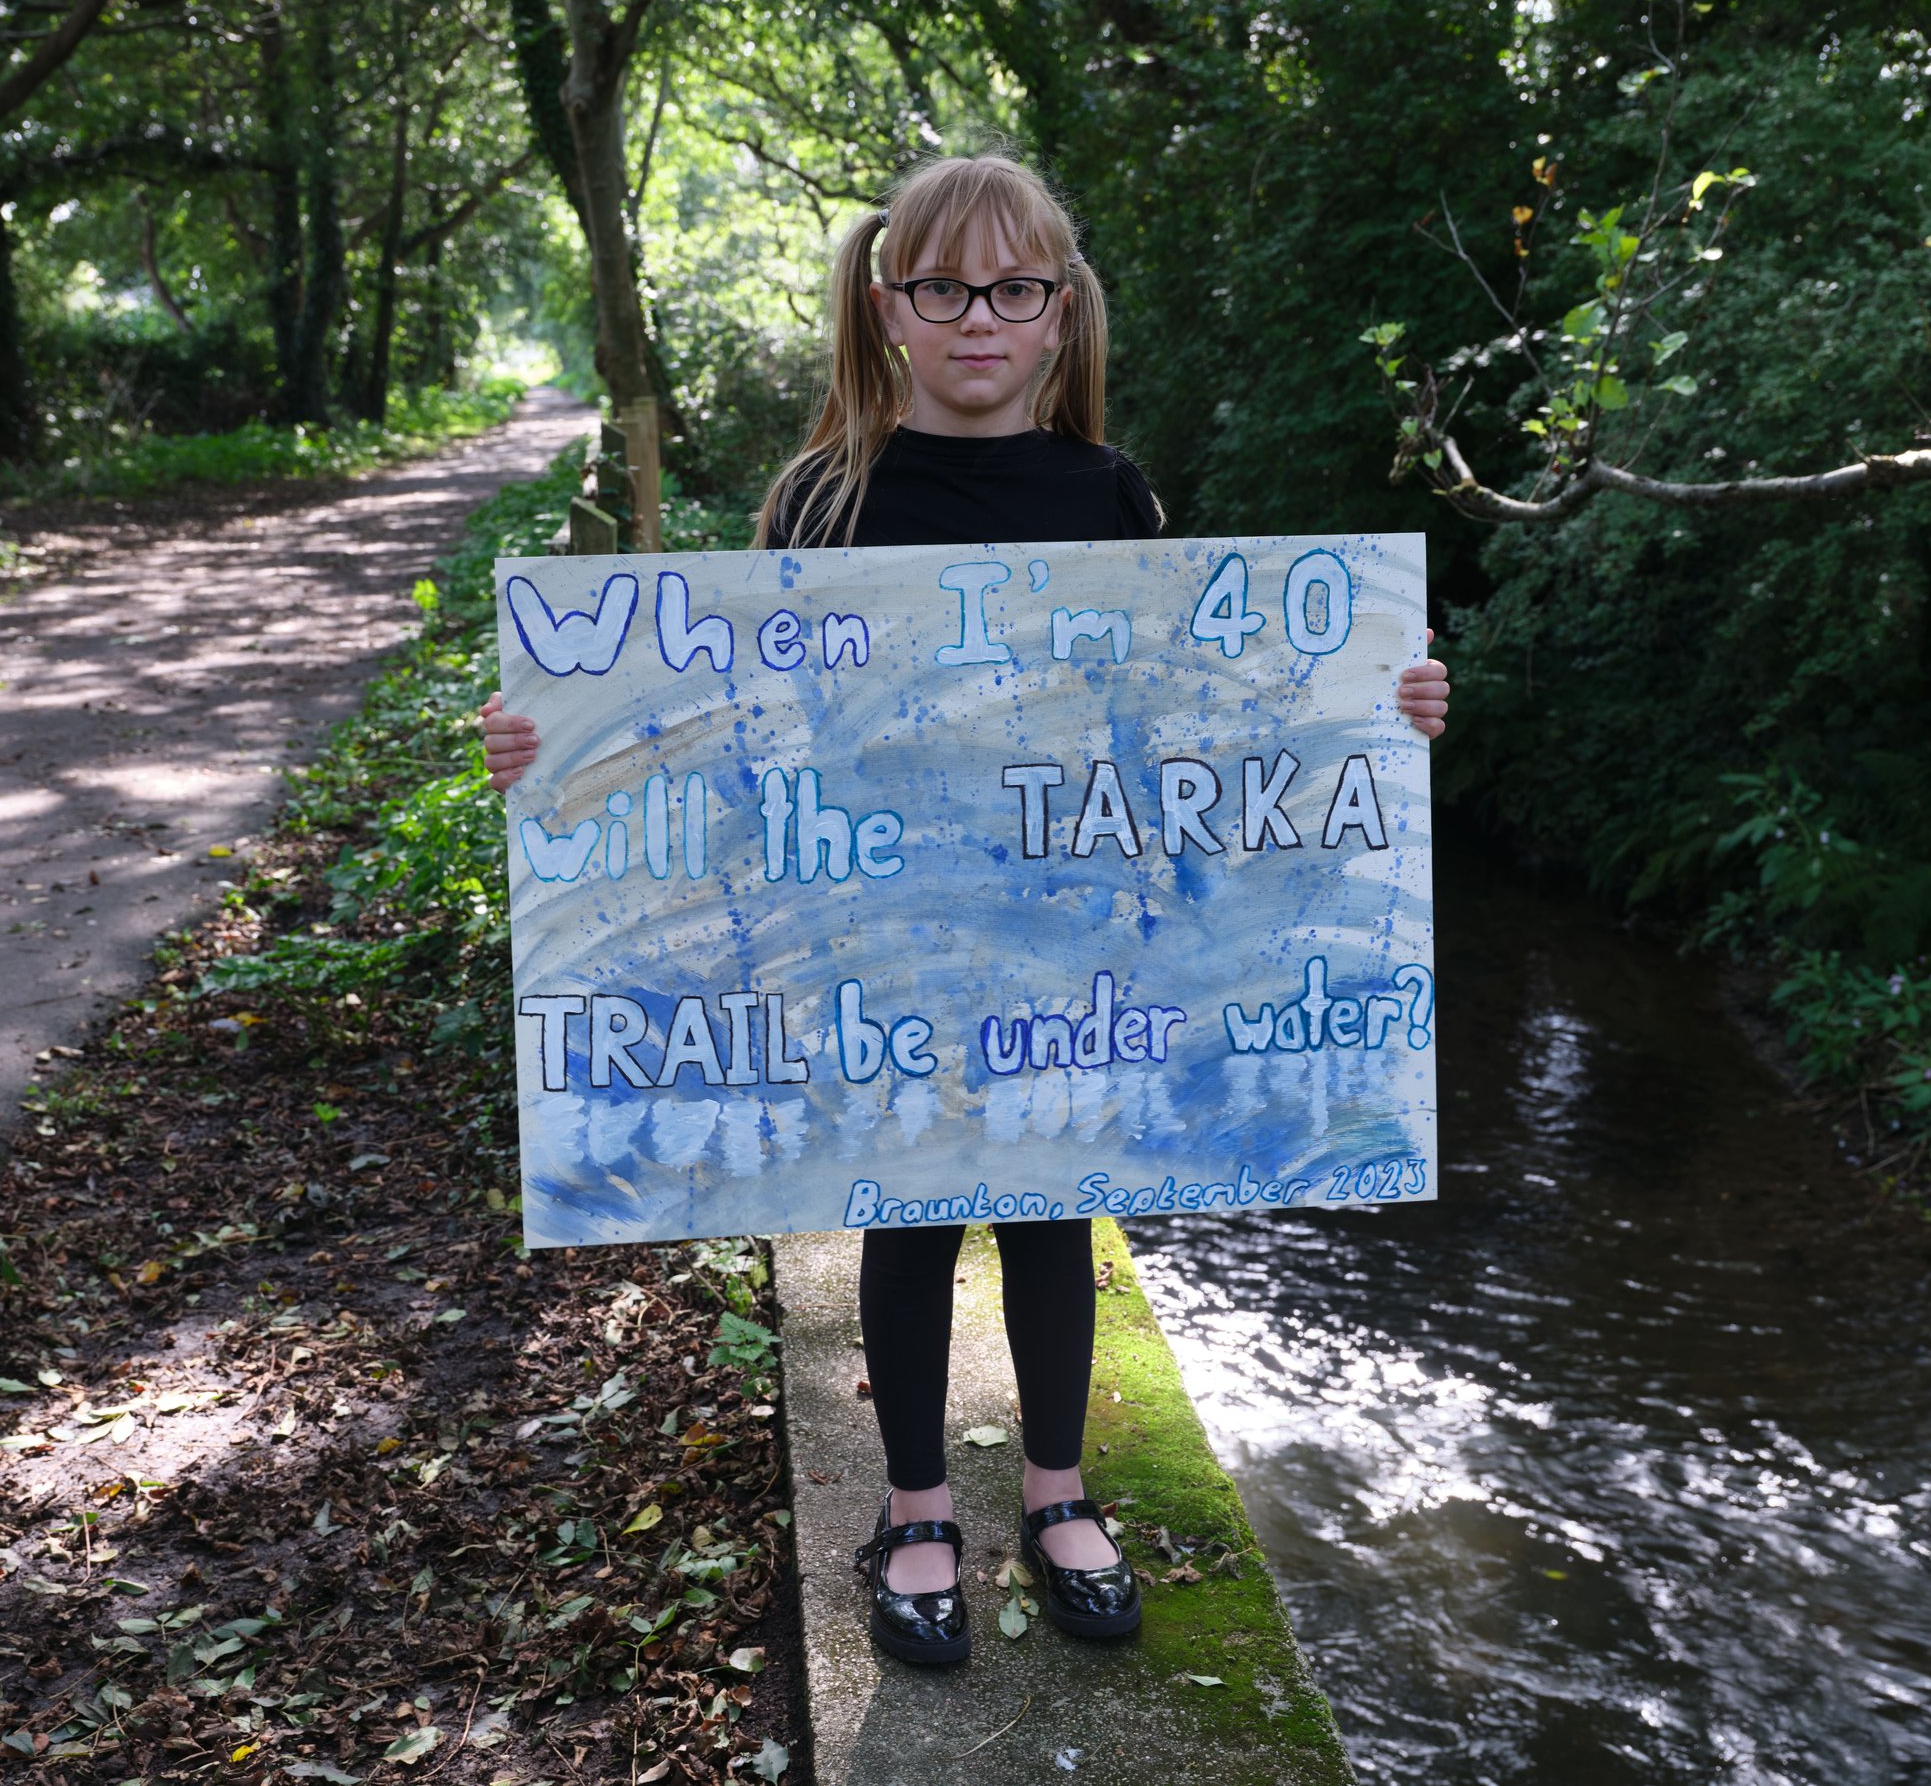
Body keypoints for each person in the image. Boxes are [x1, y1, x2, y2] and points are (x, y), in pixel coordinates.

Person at [477, 152, 1452, 1665]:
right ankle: (917, 1502)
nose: (979, 318)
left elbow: (1187, 714)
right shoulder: (824, 496)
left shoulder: (1112, 494)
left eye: (1014, 289)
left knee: (1055, 1207)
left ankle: (1061, 1492)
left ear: (1060, 314)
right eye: (945, 288)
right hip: (882, 930)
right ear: (888, 308)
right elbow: (735, 720)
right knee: (910, 1212)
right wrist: (553, 747)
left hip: (1071, 925)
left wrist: (1376, 708)